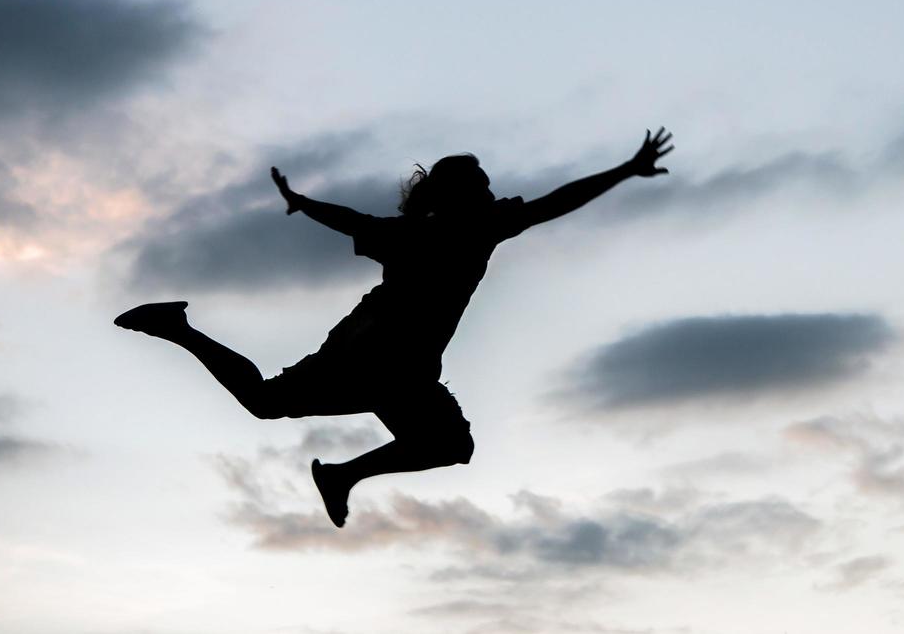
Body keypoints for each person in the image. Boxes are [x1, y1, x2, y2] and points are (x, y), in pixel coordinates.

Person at [115, 128, 672, 527]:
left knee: (448, 444)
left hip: (403, 367)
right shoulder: (435, 231)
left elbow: (557, 202)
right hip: (372, 355)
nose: (487, 187)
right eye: (477, 180)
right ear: (454, 193)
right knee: (274, 404)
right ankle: (178, 328)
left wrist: (625, 170)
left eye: (484, 180)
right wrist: (304, 203)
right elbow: (351, 221)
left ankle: (338, 475)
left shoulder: (478, 225)